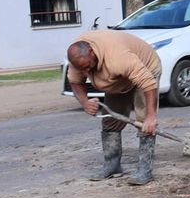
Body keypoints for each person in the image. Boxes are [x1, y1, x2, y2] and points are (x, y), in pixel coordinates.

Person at [65, 30, 162, 185]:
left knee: (145, 122)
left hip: (146, 69)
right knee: (110, 120)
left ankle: (145, 170)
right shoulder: (78, 59)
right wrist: (84, 102)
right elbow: (75, 82)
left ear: (92, 52)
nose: (86, 72)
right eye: (81, 69)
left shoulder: (118, 57)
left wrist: (151, 116)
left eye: (87, 67)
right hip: (117, 79)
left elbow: (148, 83)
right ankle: (112, 165)